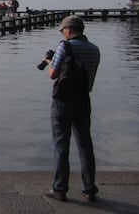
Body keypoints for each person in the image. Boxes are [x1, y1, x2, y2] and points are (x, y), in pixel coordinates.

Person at [42, 15, 101, 203]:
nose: (62, 33)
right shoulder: (95, 50)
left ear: (68, 29)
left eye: (62, 30)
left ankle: (60, 189)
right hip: (83, 100)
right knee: (85, 145)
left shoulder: (65, 46)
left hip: (62, 102)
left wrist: (49, 61)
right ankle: (89, 189)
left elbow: (53, 74)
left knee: (61, 146)